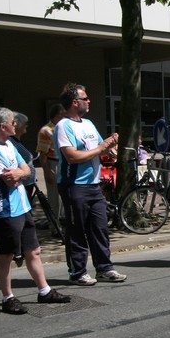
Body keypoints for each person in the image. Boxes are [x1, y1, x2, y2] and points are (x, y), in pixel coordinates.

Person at [0, 106, 74, 314]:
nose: (16, 125)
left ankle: (44, 290)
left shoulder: (9, 145)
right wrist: (19, 173)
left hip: (22, 205)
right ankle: (8, 298)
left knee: (33, 250)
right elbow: (9, 179)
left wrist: (19, 173)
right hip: (5, 209)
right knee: (7, 254)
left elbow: (27, 170)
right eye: (12, 122)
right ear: (2, 126)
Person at [54, 82, 127, 286]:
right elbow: (72, 156)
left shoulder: (88, 124)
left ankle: (104, 268)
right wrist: (101, 148)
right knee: (76, 230)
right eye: (85, 98)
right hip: (74, 184)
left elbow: (98, 148)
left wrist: (110, 146)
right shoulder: (63, 126)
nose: (89, 101)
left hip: (93, 184)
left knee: (99, 227)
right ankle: (77, 272)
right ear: (74, 102)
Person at [37, 104, 64, 224]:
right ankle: (54, 226)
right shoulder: (46, 131)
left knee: (63, 197)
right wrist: (47, 171)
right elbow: (42, 153)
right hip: (53, 163)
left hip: (64, 164)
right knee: (54, 198)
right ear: (58, 115)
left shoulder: (62, 128)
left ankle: (63, 222)